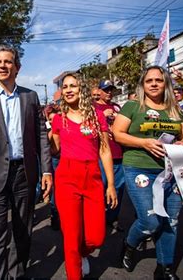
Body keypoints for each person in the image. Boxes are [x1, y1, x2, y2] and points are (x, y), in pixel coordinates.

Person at [0, 44, 53, 279]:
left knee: (22, 232)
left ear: (17, 67)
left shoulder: (30, 97)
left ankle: (17, 274)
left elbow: (41, 136)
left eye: (7, 62)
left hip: (24, 175)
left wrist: (47, 171)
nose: (2, 66)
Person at [112, 65, 183, 279]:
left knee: (171, 220)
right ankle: (130, 244)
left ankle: (165, 266)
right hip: (139, 168)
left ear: (165, 83)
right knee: (150, 221)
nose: (154, 84)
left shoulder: (175, 109)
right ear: (143, 85)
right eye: (149, 81)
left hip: (173, 169)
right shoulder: (132, 106)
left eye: (159, 80)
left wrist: (180, 144)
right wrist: (144, 143)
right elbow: (117, 134)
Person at [51, 73, 117, 279]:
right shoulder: (58, 118)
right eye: (65, 86)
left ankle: (83, 254)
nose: (69, 89)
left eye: (74, 85)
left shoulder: (97, 116)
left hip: (93, 178)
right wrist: (44, 139)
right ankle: (74, 273)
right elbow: (54, 150)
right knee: (71, 238)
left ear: (82, 90)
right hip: (67, 178)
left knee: (96, 238)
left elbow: (105, 150)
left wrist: (111, 185)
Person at [94, 79, 125, 232]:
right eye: (106, 89)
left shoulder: (117, 107)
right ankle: (97, 220)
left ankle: (112, 218)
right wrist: (101, 115)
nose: (109, 92)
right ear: (98, 91)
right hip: (101, 156)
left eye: (111, 89)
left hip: (119, 154)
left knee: (118, 189)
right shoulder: (93, 108)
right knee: (101, 189)